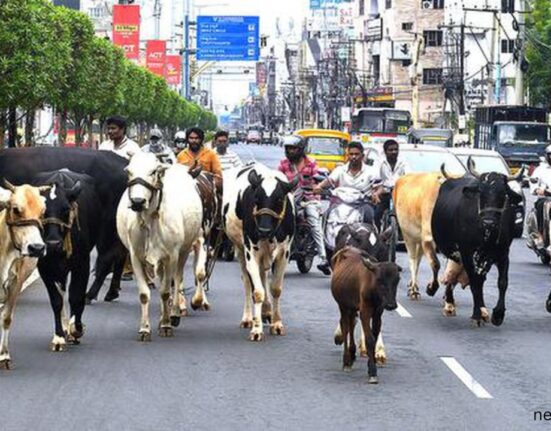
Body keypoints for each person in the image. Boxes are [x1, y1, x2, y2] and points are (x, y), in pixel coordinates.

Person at [278, 135, 330, 275]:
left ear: (301, 149)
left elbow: (319, 181)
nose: (290, 151)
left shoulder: (311, 163)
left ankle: (323, 258)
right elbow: (277, 179)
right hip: (289, 199)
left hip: (309, 199)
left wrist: (315, 187)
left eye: (293, 149)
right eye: (288, 149)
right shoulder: (283, 164)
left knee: (313, 221)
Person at [374, 139, 409, 228]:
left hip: (400, 193)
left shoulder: (403, 162)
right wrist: (378, 189)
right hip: (384, 192)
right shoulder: (379, 162)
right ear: (385, 151)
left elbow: (408, 175)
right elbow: (375, 177)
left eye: (396, 149)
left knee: (407, 214)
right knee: (377, 215)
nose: (394, 152)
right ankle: (378, 233)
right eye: (391, 150)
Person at [530, 145, 551, 248]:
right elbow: (533, 181)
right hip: (545, 198)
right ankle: (540, 235)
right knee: (543, 206)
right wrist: (537, 189)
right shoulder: (540, 169)